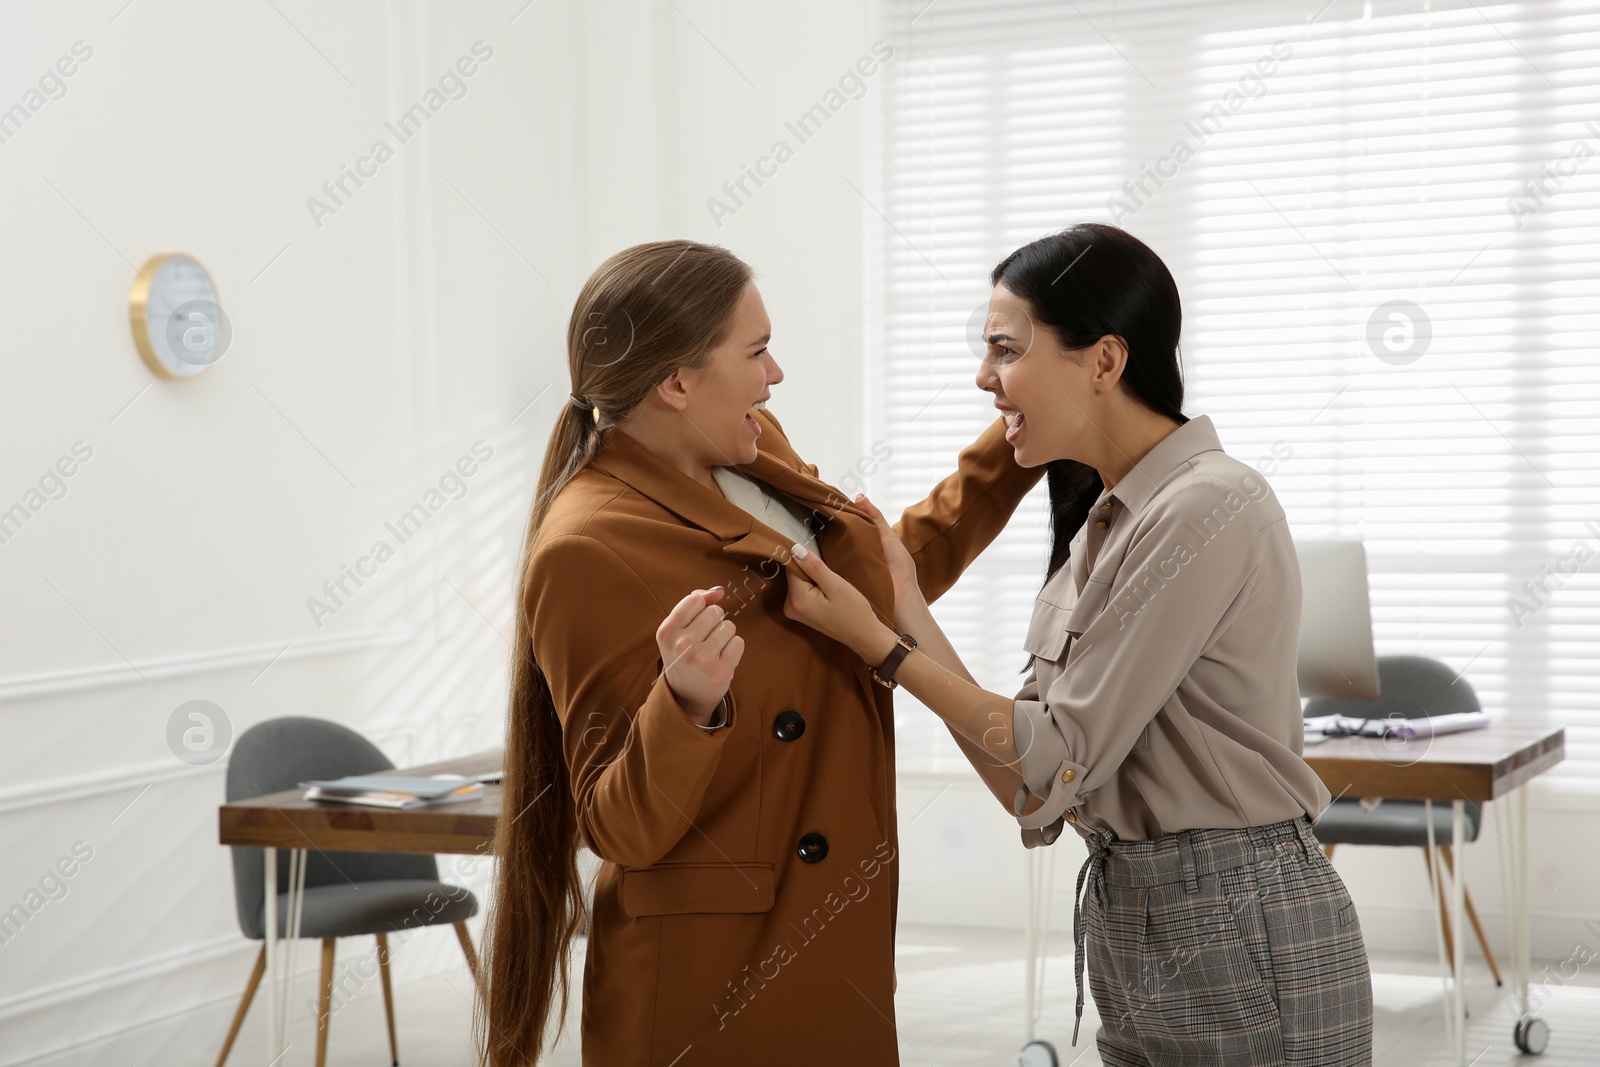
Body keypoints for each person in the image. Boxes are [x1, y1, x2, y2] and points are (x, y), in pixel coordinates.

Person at [779, 223, 1374, 1065]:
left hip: (1240, 918)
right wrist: (906, 602)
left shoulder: (1208, 506)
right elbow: (1031, 781)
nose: (985, 378)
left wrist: (884, 649)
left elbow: (1051, 752)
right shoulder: (1101, 525)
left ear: (1103, 361)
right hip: (1131, 915)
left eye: (1005, 348)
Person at [476, 239, 1043, 1066]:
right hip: (712, 990)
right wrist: (685, 706)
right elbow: (614, 823)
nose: (774, 375)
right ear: (675, 381)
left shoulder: (751, 446)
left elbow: (877, 580)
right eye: (756, 351)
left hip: (829, 943)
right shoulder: (587, 542)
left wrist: (1022, 436)